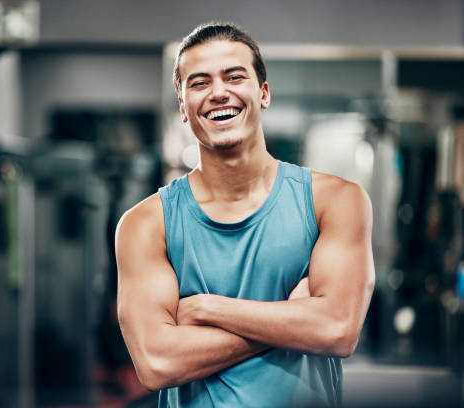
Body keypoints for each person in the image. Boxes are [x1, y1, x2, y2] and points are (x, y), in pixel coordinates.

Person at [115, 22, 375, 407]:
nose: (219, 93)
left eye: (234, 77)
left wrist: (209, 308)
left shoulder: (335, 200)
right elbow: (157, 362)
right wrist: (294, 317)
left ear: (263, 92)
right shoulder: (146, 224)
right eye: (199, 83)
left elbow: (337, 330)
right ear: (183, 107)